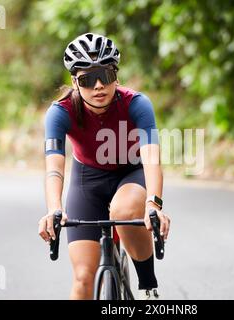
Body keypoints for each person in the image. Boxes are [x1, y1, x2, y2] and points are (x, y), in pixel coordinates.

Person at [38, 33, 170, 300]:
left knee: (124, 209)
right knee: (83, 278)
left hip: (131, 172)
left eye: (105, 76)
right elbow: (54, 167)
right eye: (87, 79)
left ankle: (147, 287)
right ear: (75, 83)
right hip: (87, 180)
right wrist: (54, 208)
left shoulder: (137, 104)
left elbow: (152, 159)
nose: (98, 86)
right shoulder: (60, 112)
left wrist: (153, 205)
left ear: (116, 77)